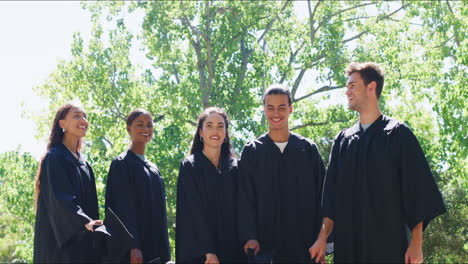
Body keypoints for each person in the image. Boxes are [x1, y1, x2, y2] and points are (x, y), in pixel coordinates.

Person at [310, 62, 447, 264]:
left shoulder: (398, 134)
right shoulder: (343, 141)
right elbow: (330, 199)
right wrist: (322, 239)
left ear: (371, 87)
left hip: (388, 246)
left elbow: (417, 192)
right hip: (350, 247)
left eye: (352, 86)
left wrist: (416, 243)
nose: (347, 91)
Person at [238, 84, 326, 263]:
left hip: (305, 249)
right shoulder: (252, 152)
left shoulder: (307, 150)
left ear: (291, 109)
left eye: (281, 107)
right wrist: (250, 236)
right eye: (270, 108)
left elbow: (323, 198)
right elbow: (244, 200)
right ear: (264, 110)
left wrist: (322, 239)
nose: (275, 113)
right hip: (265, 251)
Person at [33, 103, 104, 263]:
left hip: (83, 244)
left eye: (85, 116)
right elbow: (60, 199)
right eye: (77, 115)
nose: (83, 120)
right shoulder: (56, 157)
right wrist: (85, 221)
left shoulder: (84, 164)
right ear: (62, 123)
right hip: (60, 247)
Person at [176, 107, 243, 263]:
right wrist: (208, 250)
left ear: (226, 133)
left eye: (220, 126)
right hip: (202, 254)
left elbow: (244, 209)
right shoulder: (190, 166)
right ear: (200, 132)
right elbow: (192, 212)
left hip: (234, 249)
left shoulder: (237, 167)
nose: (215, 130)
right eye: (209, 125)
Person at [105, 109, 170, 264]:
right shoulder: (122, 164)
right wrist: (133, 246)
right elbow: (122, 208)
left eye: (149, 125)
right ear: (129, 129)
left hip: (155, 246)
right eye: (140, 124)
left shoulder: (153, 169)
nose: (146, 129)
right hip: (134, 251)